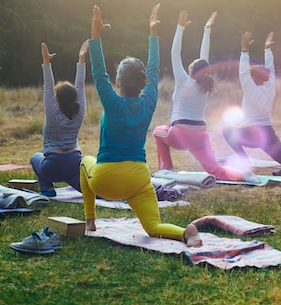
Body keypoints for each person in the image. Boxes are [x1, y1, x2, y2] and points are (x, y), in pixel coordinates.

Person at [80, 4, 202, 247]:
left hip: (107, 181)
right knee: (153, 227)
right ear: (142, 81)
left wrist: (95, 35)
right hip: (138, 178)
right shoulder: (148, 102)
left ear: (120, 81)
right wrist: (153, 35)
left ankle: (90, 220)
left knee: (84, 160)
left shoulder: (112, 102)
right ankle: (185, 233)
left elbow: (98, 72)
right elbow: (154, 70)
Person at [153, 10, 248, 181]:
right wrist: (207, 30)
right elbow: (205, 57)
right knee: (215, 170)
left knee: (157, 132)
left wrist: (180, 27)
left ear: (191, 69)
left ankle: (166, 169)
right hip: (200, 135)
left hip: (180, 134)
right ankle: (244, 176)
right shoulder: (205, 85)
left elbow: (175, 53)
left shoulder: (184, 80)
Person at [222, 31, 281, 167]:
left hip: (252, 134)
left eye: (252, 76)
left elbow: (243, 73)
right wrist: (267, 50)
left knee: (227, 131)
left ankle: (244, 161)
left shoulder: (252, 91)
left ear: (255, 78)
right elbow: (271, 68)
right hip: (268, 134)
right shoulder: (270, 86)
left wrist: (245, 50)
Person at [30, 40, 88, 197]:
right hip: (74, 164)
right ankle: (115, 195)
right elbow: (80, 86)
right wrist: (81, 61)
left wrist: (46, 62)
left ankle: (47, 190)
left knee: (35, 157)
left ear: (57, 100)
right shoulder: (80, 111)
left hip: (52, 168)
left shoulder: (52, 114)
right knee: (92, 192)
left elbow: (48, 86)